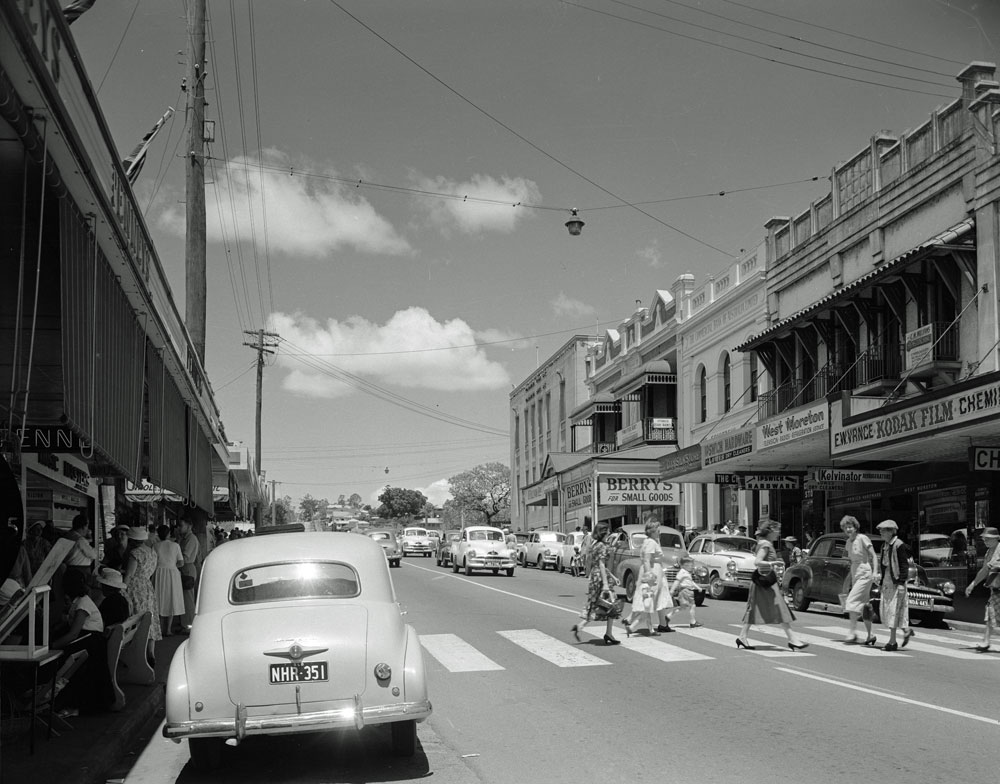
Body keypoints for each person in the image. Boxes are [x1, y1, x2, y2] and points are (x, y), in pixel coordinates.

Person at [735, 520, 808, 651]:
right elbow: (757, 562)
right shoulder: (766, 544)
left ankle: (742, 636)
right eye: (777, 530)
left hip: (764, 582)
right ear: (771, 531)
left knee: (758, 609)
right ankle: (793, 640)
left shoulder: (764, 543)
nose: (779, 533)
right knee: (779, 609)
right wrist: (773, 564)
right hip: (764, 582)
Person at [51, 569, 113, 716]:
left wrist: (52, 647)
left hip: (90, 644)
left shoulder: (83, 604)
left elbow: (73, 634)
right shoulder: (81, 600)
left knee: (62, 659)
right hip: (89, 641)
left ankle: (64, 701)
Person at [571, 523, 620, 645]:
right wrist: (605, 584)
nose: (609, 533)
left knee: (598, 605)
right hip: (600, 578)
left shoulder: (596, 545)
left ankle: (581, 627)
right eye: (607, 531)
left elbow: (597, 564)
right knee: (610, 605)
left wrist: (613, 577)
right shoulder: (602, 546)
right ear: (603, 532)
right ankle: (608, 633)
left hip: (595, 576)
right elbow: (602, 565)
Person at [623, 518, 674, 635]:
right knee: (650, 597)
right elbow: (646, 560)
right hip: (653, 571)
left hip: (655, 570)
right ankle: (633, 622)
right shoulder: (651, 543)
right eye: (657, 530)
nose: (659, 532)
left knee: (658, 596)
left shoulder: (651, 541)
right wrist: (649, 574)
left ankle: (663, 624)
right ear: (652, 531)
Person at [122, 526, 161, 666]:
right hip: (147, 587)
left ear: (132, 540)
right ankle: (151, 652)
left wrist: (122, 589)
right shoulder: (152, 552)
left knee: (135, 619)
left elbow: (130, 574)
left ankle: (136, 654)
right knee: (149, 619)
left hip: (135, 587)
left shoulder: (135, 553)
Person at [874, 519, 914, 652]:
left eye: (883, 531)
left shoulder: (898, 545)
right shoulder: (885, 545)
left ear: (891, 532)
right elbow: (884, 565)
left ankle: (892, 642)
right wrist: (880, 583)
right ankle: (906, 630)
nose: (881, 533)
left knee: (892, 612)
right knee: (894, 611)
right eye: (880, 531)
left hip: (896, 583)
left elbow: (904, 565)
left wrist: (902, 583)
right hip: (887, 581)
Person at [839, 516, 878, 645]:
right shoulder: (848, 543)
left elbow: (873, 555)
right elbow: (850, 561)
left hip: (865, 573)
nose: (848, 529)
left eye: (850, 527)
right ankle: (870, 635)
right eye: (845, 527)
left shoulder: (862, 538)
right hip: (855, 574)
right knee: (864, 606)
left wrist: (875, 571)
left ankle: (852, 632)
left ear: (855, 527)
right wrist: (848, 580)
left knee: (851, 601)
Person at [965, 526, 1000, 652]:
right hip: (995, 590)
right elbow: (984, 570)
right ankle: (986, 641)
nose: (985, 541)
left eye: (988, 539)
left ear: (996, 539)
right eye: (984, 539)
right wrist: (973, 584)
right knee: (990, 614)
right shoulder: (989, 552)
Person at [153, 524, 185, 638]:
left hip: (159, 572)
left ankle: (160, 628)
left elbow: (153, 561)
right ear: (168, 534)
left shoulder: (155, 546)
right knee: (171, 599)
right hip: (172, 573)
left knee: (160, 598)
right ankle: (168, 629)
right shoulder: (175, 545)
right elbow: (181, 563)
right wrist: (172, 565)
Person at [176, 518, 200, 633]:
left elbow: (185, 557)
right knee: (185, 598)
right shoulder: (185, 538)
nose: (179, 528)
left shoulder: (191, 539)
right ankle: (185, 623)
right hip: (184, 569)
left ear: (189, 525)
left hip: (187, 568)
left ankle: (189, 625)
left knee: (188, 599)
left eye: (181, 525)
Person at [64, 513, 97, 581]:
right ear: (84, 527)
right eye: (87, 526)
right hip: (80, 571)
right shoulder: (80, 540)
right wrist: (90, 536)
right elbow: (93, 555)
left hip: (68, 570)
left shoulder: (68, 536)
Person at [671, 556, 701, 627]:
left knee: (683, 607)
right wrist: (672, 590)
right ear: (684, 565)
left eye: (692, 565)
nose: (691, 567)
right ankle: (693, 622)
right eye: (690, 565)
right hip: (685, 591)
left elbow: (691, 582)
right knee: (692, 606)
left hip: (688, 591)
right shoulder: (682, 572)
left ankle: (668, 616)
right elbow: (677, 581)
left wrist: (698, 587)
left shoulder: (687, 572)